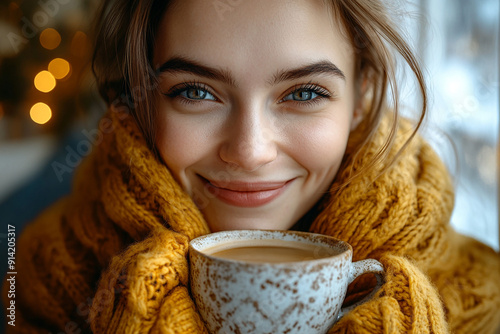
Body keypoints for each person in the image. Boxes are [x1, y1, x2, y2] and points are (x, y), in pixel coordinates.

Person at [4, 0, 500, 333]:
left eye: (304, 93)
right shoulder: (27, 279)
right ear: (141, 100)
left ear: (360, 97)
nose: (249, 151)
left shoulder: (487, 298)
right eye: (195, 92)